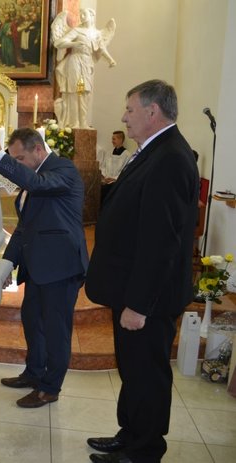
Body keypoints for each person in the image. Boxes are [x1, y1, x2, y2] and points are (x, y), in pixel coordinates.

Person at [84, 80, 199, 463]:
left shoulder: (170, 158)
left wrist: (138, 304)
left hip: (148, 298)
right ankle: (129, 434)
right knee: (133, 370)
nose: (123, 117)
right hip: (132, 289)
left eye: (130, 110)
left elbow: (160, 243)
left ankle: (144, 450)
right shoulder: (154, 150)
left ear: (153, 112)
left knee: (147, 374)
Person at [0, 127, 87, 408]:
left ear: (38, 150)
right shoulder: (35, 179)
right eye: (13, 159)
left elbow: (37, 184)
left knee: (56, 330)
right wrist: (8, 263)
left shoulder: (63, 169)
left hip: (61, 267)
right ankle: (34, 372)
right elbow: (24, 228)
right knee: (32, 321)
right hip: (37, 266)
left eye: (19, 159)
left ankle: (50, 388)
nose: (17, 164)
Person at [52, 8, 116, 129]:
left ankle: (83, 123)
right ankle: (74, 122)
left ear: (91, 15)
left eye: (84, 14)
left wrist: (110, 60)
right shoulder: (77, 31)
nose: (81, 16)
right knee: (76, 92)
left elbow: (101, 48)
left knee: (84, 92)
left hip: (87, 63)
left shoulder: (96, 34)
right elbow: (58, 43)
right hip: (75, 62)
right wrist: (74, 44)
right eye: (80, 14)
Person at [99, 130, 130, 203]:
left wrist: (114, 179)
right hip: (106, 180)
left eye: (114, 139)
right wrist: (105, 177)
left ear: (120, 140)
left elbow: (125, 170)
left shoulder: (127, 155)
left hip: (117, 182)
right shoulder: (109, 152)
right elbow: (104, 166)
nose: (112, 141)